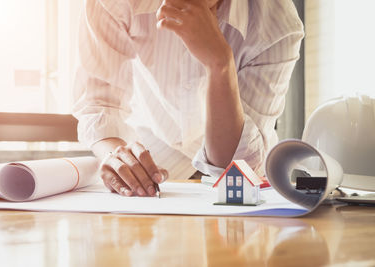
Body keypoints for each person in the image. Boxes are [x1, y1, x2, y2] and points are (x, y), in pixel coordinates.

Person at [73, 0, 304, 197]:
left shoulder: (278, 28)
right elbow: (99, 103)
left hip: (241, 176)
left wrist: (220, 65)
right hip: (151, 153)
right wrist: (117, 157)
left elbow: (233, 167)